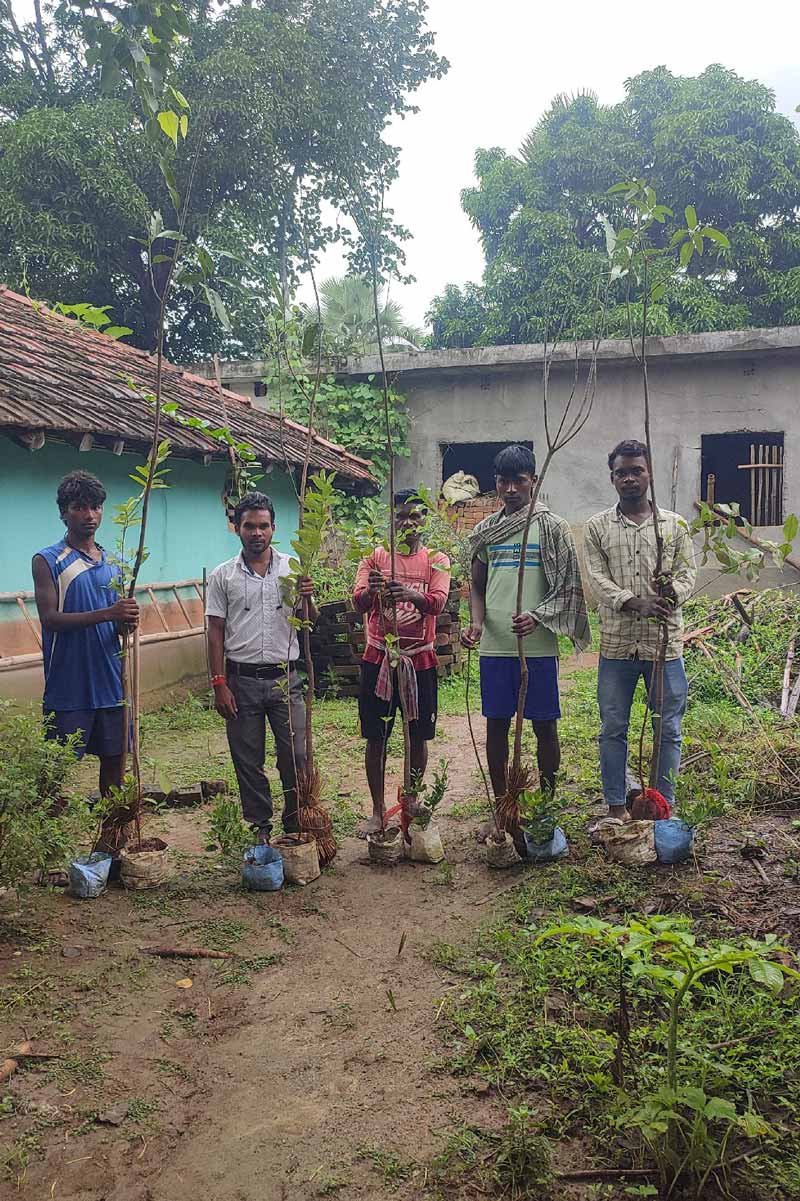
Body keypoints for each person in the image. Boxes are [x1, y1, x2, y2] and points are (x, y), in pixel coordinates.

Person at [461, 445, 589, 814]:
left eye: (519, 480)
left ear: (534, 480)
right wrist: (476, 623)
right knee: (496, 725)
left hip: (538, 647)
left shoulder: (552, 527)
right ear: (495, 484)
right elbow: (477, 586)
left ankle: (546, 802)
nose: (511, 489)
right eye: (504, 481)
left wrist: (537, 615)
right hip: (496, 646)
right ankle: (503, 803)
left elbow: (568, 585)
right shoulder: (487, 531)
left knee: (545, 725)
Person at [583, 439, 696, 822]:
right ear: (612, 478)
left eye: (637, 470)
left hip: (664, 647)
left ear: (649, 473)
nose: (630, 478)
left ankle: (662, 806)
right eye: (622, 473)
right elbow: (597, 580)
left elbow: (688, 574)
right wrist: (635, 602)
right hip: (617, 648)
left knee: (668, 729)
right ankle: (616, 807)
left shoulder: (674, 526)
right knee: (613, 727)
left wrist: (671, 592)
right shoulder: (598, 527)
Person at [205, 491, 316, 842]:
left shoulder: (292, 568)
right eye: (249, 526)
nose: (257, 533)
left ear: (273, 528)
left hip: (286, 678)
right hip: (242, 681)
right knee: (247, 758)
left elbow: (309, 621)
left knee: (296, 754)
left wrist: (307, 596)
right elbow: (215, 632)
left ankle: (296, 822)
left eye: (264, 526)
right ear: (236, 528)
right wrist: (218, 683)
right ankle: (260, 828)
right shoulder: (224, 576)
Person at [32, 471, 140, 812]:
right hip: (68, 687)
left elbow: (118, 627)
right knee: (55, 770)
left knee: (114, 764)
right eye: (80, 507)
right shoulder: (48, 560)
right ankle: (45, 844)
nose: (90, 515)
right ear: (64, 512)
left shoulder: (116, 563)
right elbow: (51, 619)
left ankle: (111, 841)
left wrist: (126, 623)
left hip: (110, 683)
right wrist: (109, 613)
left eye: (95, 507)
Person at [352, 490, 451, 835]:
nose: (408, 522)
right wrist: (373, 591)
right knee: (376, 735)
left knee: (418, 734)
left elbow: (438, 603)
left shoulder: (437, 560)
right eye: (401, 516)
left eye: (415, 516)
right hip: (379, 658)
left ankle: (411, 800)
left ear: (425, 521)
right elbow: (358, 603)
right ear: (390, 519)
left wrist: (409, 594)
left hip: (419, 660)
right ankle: (378, 811)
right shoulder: (375, 558)